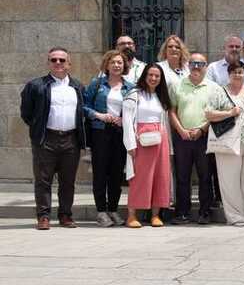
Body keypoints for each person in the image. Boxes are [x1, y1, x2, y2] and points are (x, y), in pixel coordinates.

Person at [20, 47, 87, 230]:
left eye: (62, 60)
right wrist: (37, 129)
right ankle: (43, 216)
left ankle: (65, 215)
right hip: (46, 139)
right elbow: (26, 113)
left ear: (69, 64)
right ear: (48, 62)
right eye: (54, 60)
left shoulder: (78, 87)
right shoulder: (36, 86)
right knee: (43, 180)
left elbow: (83, 113)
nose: (58, 63)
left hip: (70, 139)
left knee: (68, 181)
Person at [168, 52, 223, 225]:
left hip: (204, 136)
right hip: (182, 136)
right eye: (193, 63)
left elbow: (216, 113)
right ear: (188, 66)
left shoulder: (214, 87)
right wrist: (181, 130)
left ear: (206, 66)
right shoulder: (178, 85)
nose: (196, 67)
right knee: (182, 176)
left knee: (205, 176)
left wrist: (202, 129)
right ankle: (182, 212)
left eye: (200, 64)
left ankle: (204, 212)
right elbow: (172, 111)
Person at [83, 50, 134, 227]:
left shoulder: (130, 87)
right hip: (100, 131)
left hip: (120, 133)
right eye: (113, 62)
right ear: (107, 65)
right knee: (100, 172)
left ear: (125, 66)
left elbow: (134, 111)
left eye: (120, 62)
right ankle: (101, 211)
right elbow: (84, 107)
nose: (117, 65)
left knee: (116, 173)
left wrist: (124, 119)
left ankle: (113, 209)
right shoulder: (97, 84)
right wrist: (99, 115)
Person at [204, 61, 244, 226]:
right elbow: (208, 113)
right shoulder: (220, 92)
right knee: (229, 180)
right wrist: (229, 113)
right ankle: (235, 216)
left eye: (240, 71)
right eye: (234, 71)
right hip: (228, 143)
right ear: (229, 74)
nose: (237, 74)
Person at [121, 63, 173, 228]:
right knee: (140, 177)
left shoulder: (161, 96)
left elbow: (165, 121)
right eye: (150, 75)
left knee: (160, 176)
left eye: (157, 76)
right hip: (141, 140)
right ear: (144, 76)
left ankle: (155, 215)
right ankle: (131, 215)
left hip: (160, 139)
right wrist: (130, 144)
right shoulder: (134, 95)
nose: (153, 78)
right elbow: (127, 121)